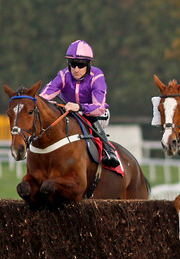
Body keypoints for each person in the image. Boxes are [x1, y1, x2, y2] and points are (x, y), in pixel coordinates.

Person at [39, 40, 120, 168]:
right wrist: (46, 103)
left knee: (90, 117)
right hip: (70, 112)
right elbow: (43, 97)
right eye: (72, 64)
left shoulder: (97, 76)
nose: (76, 69)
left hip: (96, 115)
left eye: (80, 65)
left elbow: (99, 107)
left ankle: (109, 151)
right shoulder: (63, 75)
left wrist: (79, 107)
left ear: (89, 64)